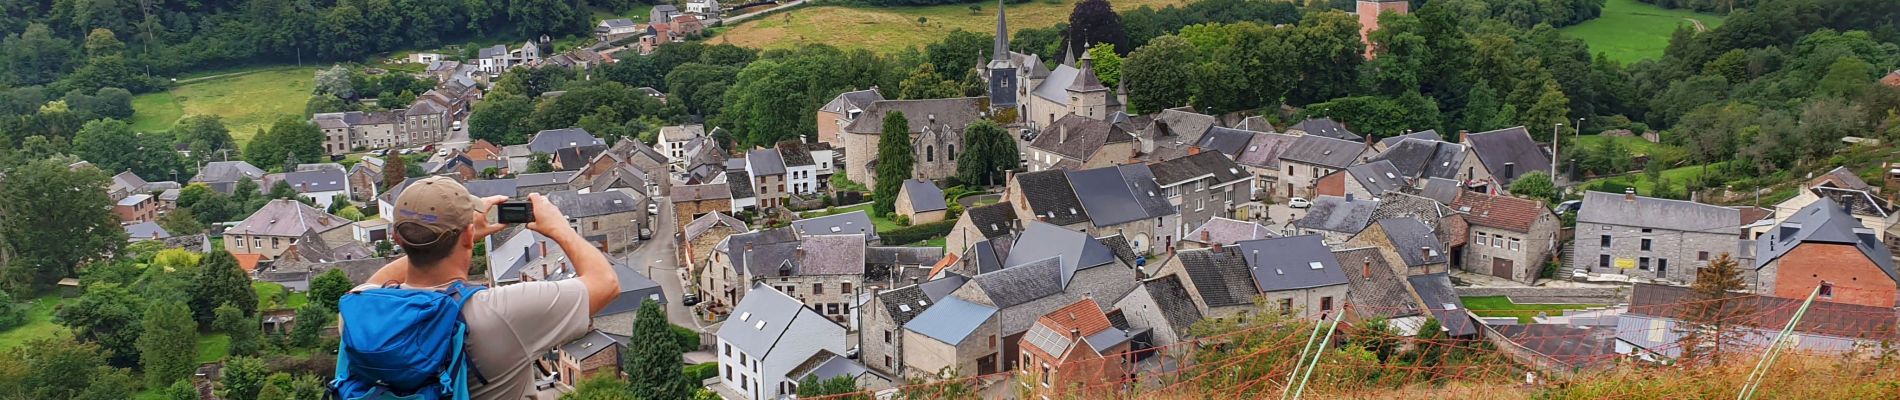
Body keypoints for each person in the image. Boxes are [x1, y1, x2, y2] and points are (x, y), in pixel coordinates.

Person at [354, 176, 619, 399]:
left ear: (397, 238)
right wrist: (561, 228)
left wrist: (451, 239)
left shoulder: (359, 315)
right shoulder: (500, 313)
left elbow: (372, 284)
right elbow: (605, 283)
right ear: (468, 236)